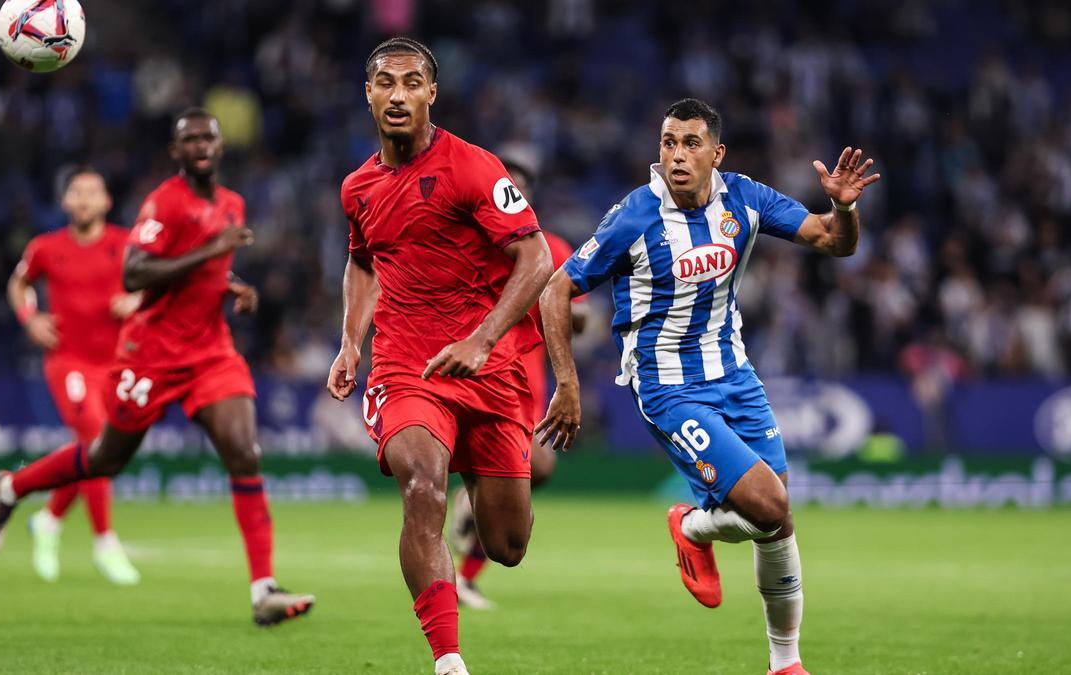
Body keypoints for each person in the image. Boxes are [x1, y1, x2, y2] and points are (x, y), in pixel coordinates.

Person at [536, 98, 880, 675]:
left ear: (716, 153)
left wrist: (842, 210)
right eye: (668, 142)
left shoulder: (744, 197)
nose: (676, 154)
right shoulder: (635, 217)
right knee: (769, 503)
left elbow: (833, 241)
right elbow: (554, 291)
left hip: (735, 376)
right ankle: (692, 525)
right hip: (667, 387)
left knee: (778, 517)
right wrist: (567, 384)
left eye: (691, 143)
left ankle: (785, 664)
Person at [0, 109, 314, 627]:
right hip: (150, 355)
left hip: (210, 352)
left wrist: (232, 285)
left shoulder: (231, 203)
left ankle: (263, 589)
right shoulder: (164, 202)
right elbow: (136, 272)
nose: (201, 144)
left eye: (209, 136)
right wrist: (210, 251)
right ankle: (10, 489)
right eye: (190, 139)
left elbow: (204, 270)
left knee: (245, 453)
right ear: (176, 152)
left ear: (221, 147)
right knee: (105, 457)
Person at [328, 38, 553, 675]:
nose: (397, 94)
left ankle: (476, 544)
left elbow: (536, 258)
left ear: (432, 93)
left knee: (508, 545)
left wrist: (482, 339)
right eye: (384, 83)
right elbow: (362, 261)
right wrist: (350, 342)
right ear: (367, 93)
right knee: (423, 485)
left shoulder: (474, 167)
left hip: (490, 369)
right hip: (407, 366)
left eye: (411, 82)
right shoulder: (358, 187)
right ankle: (448, 659)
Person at [446, 146, 587, 610]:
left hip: (529, 383)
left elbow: (579, 315)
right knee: (530, 468)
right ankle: (458, 547)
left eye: (521, 191)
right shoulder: (469, 241)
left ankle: (465, 564)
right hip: (477, 375)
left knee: (534, 473)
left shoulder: (551, 249)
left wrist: (564, 311)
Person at [9, 166, 140, 585]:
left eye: (92, 193)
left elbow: (156, 285)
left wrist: (137, 298)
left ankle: (49, 520)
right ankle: (105, 542)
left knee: (92, 449)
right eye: (76, 193)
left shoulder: (125, 245)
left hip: (115, 366)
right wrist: (29, 318)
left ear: (106, 202)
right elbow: (18, 284)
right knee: (98, 440)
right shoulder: (46, 248)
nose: (83, 200)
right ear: (65, 201)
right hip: (68, 362)